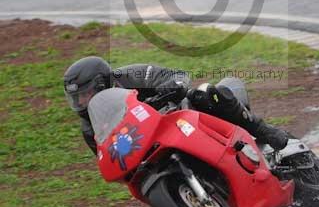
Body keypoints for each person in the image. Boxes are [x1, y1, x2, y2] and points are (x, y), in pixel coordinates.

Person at [63, 56, 289, 155]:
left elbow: (176, 75)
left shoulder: (132, 74)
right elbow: (110, 158)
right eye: (78, 98)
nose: (82, 102)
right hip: (152, 145)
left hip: (182, 114)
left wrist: (168, 89)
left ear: (103, 83)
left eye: (87, 94)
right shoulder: (89, 127)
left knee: (207, 94)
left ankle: (264, 131)